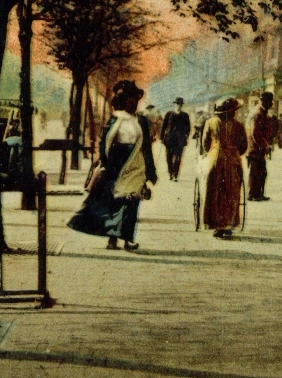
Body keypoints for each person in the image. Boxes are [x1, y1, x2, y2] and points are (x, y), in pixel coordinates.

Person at [68, 80, 156, 251]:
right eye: (129, 100)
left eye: (134, 100)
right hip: (116, 164)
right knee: (115, 203)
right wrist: (105, 162)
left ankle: (128, 239)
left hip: (136, 165)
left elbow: (147, 148)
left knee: (132, 202)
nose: (132, 103)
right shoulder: (115, 119)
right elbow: (104, 143)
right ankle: (112, 239)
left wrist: (151, 172)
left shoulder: (142, 121)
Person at [202, 98, 248, 238]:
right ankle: (228, 224)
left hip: (215, 160)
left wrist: (213, 151)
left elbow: (205, 143)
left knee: (215, 192)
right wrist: (233, 152)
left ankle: (217, 225)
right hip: (233, 161)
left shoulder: (210, 123)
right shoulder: (239, 126)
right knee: (232, 192)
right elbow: (243, 146)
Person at [246, 92, 279, 200]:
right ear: (264, 101)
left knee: (262, 172)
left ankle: (258, 193)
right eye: (270, 102)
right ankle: (253, 194)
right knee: (256, 173)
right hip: (255, 149)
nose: (271, 104)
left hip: (258, 148)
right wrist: (264, 145)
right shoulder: (258, 113)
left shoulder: (261, 112)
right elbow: (255, 133)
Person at [160, 97, 192, 182]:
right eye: (177, 104)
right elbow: (164, 126)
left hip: (179, 141)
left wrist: (185, 135)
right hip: (169, 140)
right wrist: (161, 137)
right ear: (175, 104)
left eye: (180, 105)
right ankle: (170, 173)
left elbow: (188, 128)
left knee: (178, 158)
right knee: (169, 158)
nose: (178, 106)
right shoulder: (169, 114)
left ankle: (175, 175)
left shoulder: (185, 116)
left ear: (182, 106)